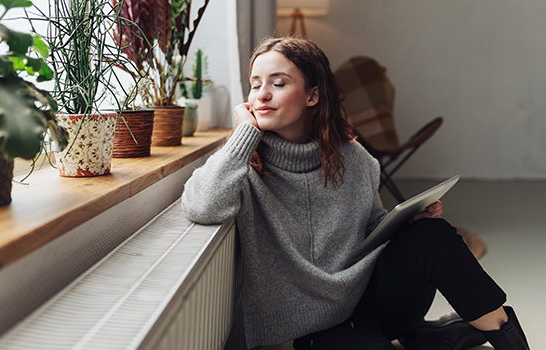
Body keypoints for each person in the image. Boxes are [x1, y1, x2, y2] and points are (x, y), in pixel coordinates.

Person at [181, 37, 530, 350]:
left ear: (312, 95)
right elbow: (201, 206)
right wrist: (244, 136)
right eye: (255, 85)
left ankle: (507, 339)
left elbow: (370, 225)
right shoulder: (241, 164)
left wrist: (407, 225)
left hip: (369, 304)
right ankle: (428, 336)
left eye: (278, 83)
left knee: (432, 234)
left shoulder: (353, 157)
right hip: (313, 330)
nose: (262, 95)